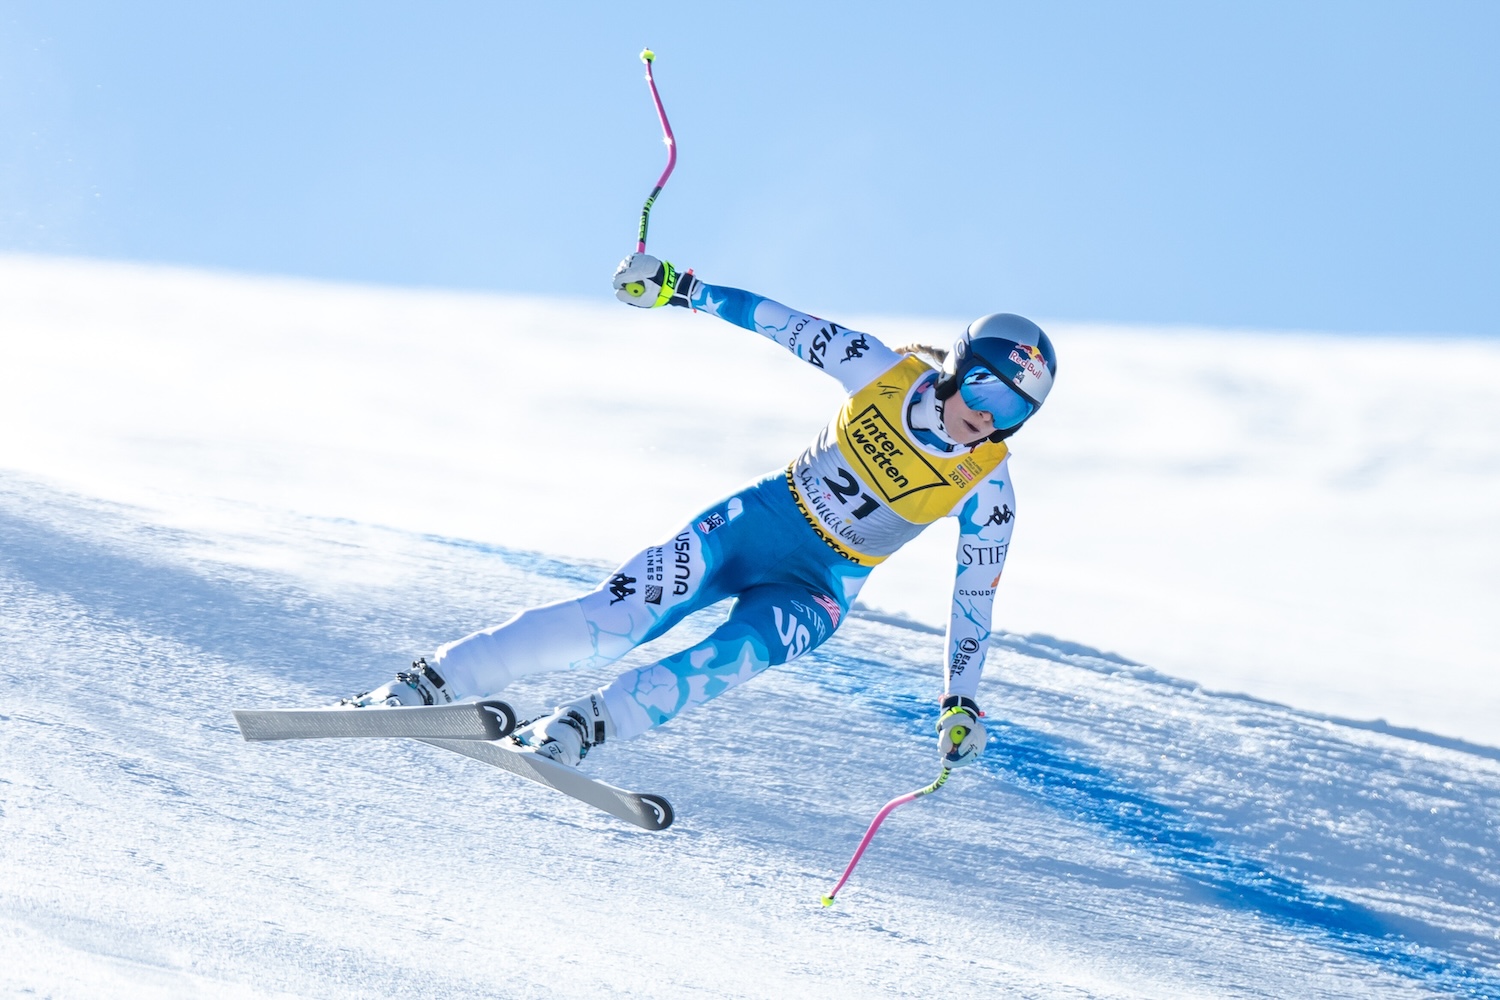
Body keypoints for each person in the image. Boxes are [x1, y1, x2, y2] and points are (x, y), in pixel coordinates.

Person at [343, 253, 1058, 772]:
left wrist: (960, 702)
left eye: (1012, 411)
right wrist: (678, 288)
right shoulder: (876, 370)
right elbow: (775, 321)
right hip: (757, 523)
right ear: (956, 368)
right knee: (614, 619)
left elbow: (973, 598)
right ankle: (429, 683)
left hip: (819, 589)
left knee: (728, 659)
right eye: (985, 391)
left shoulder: (987, 487)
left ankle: (577, 730)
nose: (987, 418)